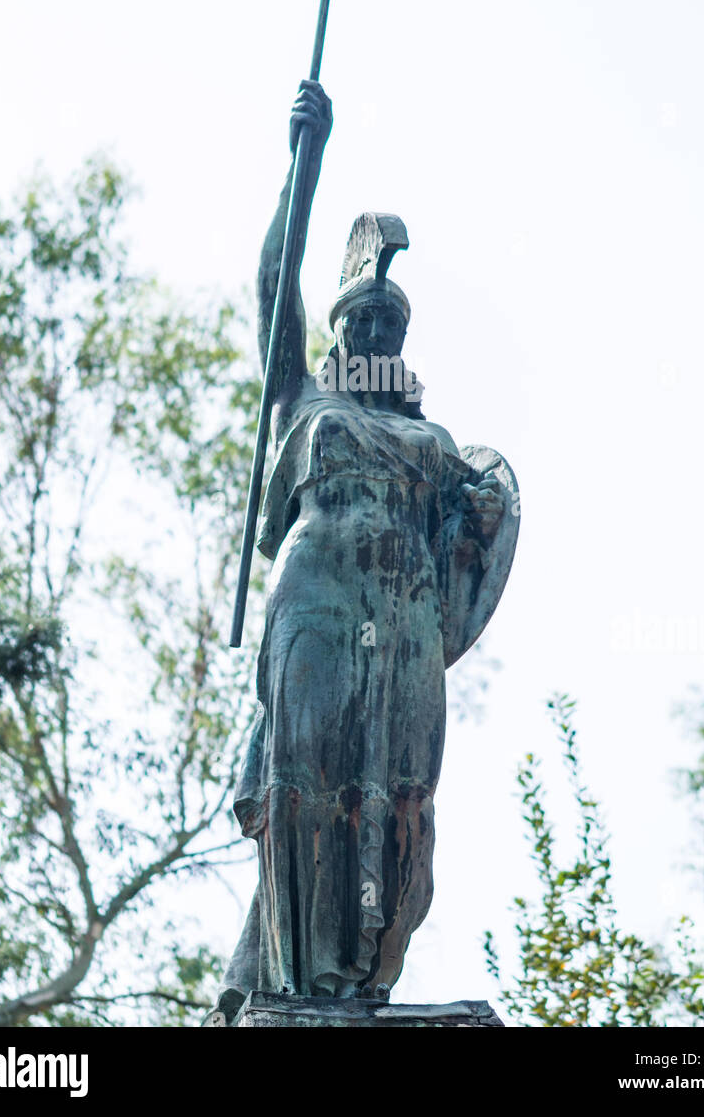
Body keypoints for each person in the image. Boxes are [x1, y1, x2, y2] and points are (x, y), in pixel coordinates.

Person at [214, 81, 519, 1022]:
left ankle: (365, 976)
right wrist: (301, 169)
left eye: (393, 321)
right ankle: (297, 977)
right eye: (362, 319)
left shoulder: (438, 444)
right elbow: (274, 283)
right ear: (341, 333)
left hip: (408, 620)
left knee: (402, 790)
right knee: (306, 780)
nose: (378, 329)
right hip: (312, 602)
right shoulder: (306, 404)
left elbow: (482, 528)